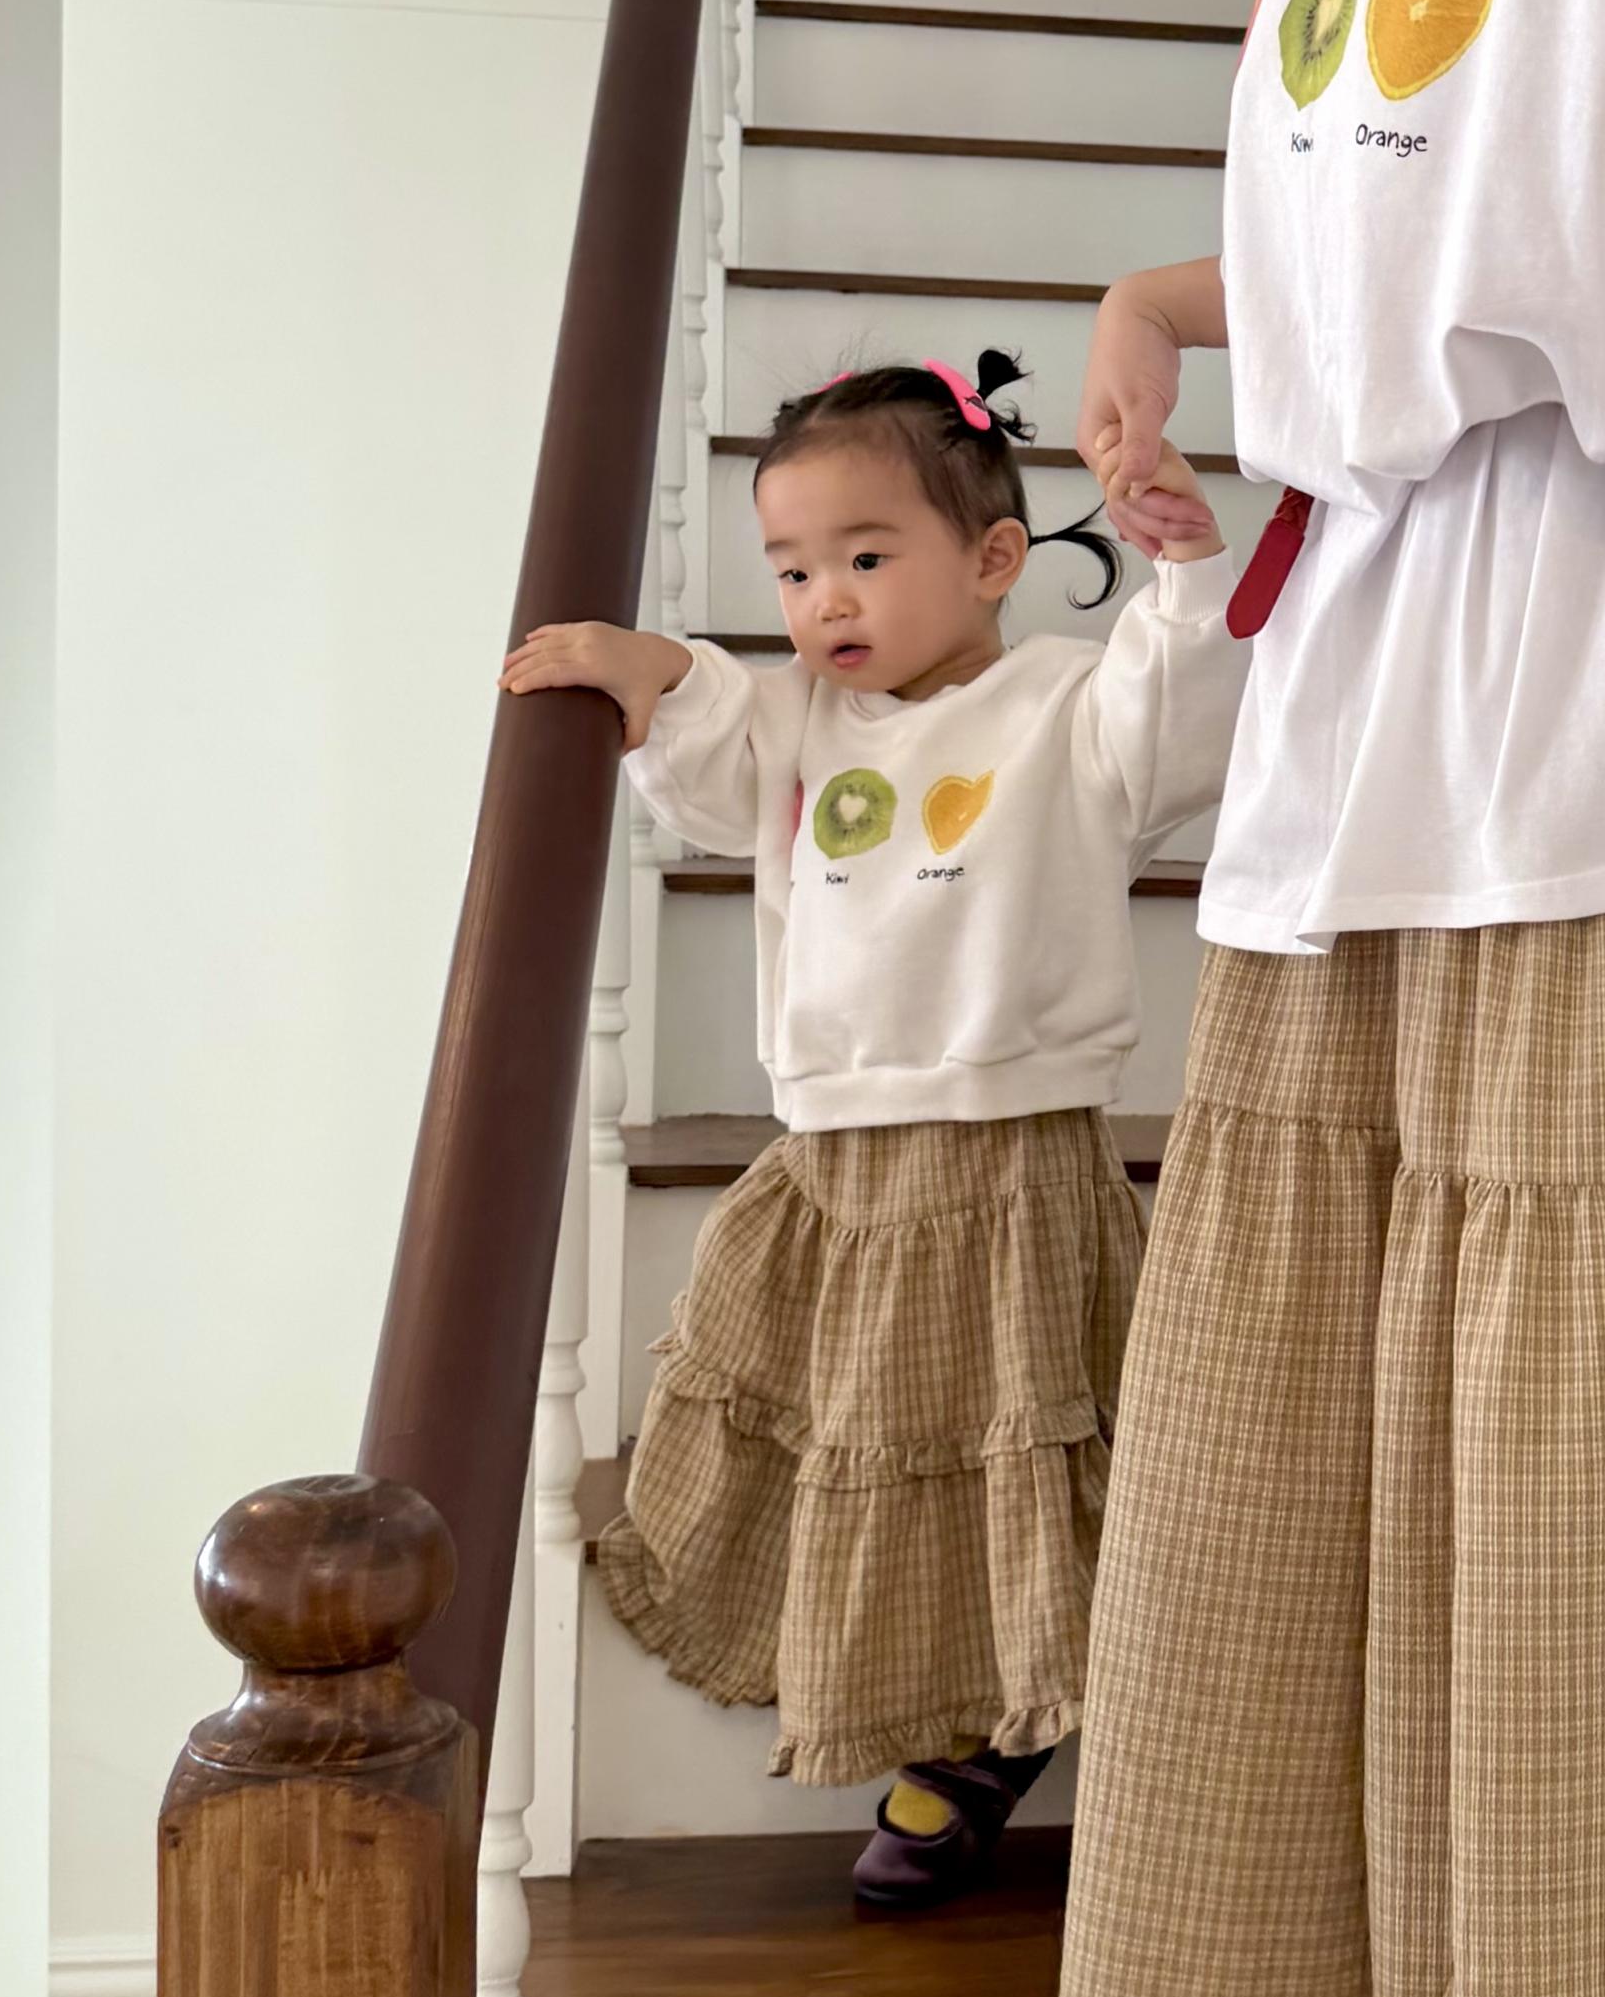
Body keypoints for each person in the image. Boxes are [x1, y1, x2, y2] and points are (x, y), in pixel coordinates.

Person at [1007, 1, 1605, 1997]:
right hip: (1369, 711)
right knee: (1267, 1548)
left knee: (1559, 1623)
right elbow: (1412, 243)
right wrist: (1157, 304)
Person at [502, 354, 1245, 1904]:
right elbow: (706, 753)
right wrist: (648, 665)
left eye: (864, 556)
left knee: (1008, 1449)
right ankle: (928, 1681)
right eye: (791, 570)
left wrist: (1182, 577)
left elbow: (1179, 732)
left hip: (1008, 1155)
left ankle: (994, 1730)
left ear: (991, 558)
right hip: (836, 1158)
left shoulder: (1060, 704)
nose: (823, 599)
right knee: (864, 1437)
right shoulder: (795, 717)